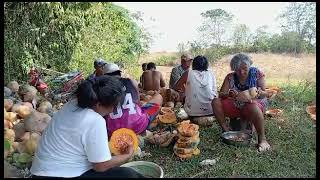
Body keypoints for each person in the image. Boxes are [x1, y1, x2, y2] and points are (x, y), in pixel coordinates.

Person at [30, 76, 145, 178]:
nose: (113, 110)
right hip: (60, 175)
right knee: (128, 175)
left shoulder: (73, 104)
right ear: (98, 104)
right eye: (113, 106)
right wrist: (127, 155)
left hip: (41, 172)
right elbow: (100, 166)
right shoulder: (95, 120)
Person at [218, 53, 271, 152]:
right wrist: (229, 94)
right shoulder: (230, 77)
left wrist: (260, 92)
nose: (242, 72)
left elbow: (265, 94)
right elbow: (221, 94)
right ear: (234, 69)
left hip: (255, 104)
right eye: (238, 70)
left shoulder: (257, 74)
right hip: (237, 103)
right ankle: (226, 130)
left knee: (252, 106)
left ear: (249, 66)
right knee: (215, 102)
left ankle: (262, 139)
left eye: (245, 69)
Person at [103, 63, 163, 137]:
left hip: (112, 131)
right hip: (137, 126)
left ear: (104, 76)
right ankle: (143, 128)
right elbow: (137, 103)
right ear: (119, 73)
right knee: (158, 98)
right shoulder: (131, 81)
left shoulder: (101, 88)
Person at [173, 56, 225, 125]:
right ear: (206, 65)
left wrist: (186, 90)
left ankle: (193, 113)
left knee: (182, 94)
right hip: (211, 111)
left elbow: (176, 87)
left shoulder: (188, 72)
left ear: (193, 64)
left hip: (192, 113)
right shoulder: (211, 73)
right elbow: (214, 91)